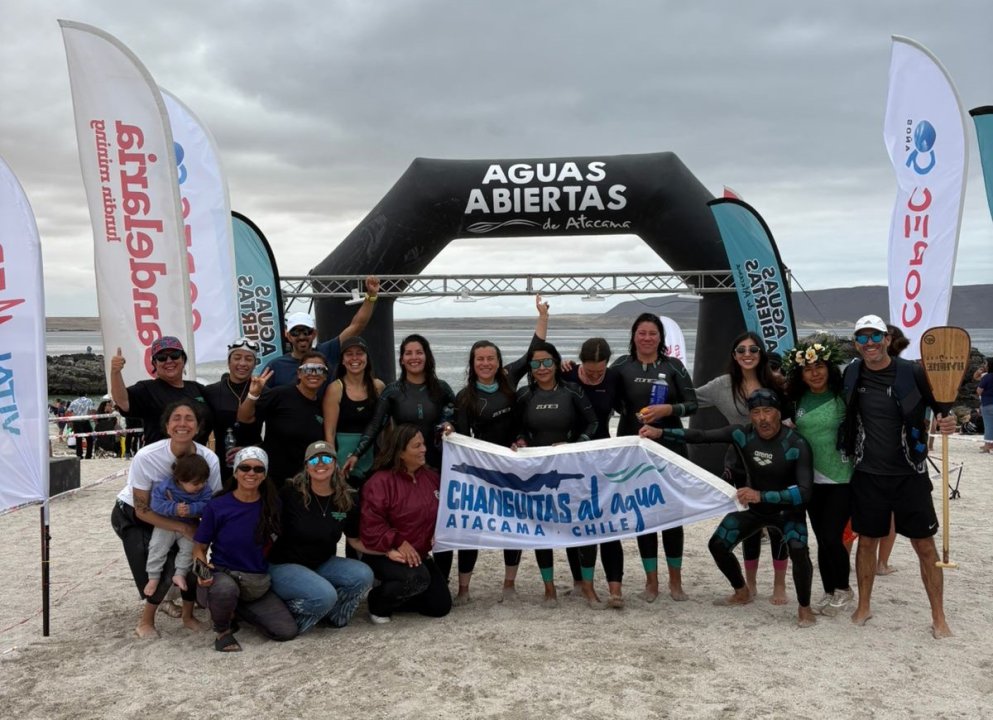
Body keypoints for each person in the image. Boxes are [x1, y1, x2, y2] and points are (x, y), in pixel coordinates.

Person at [642, 388, 816, 628]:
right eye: (756, 412)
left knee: (798, 549)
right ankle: (742, 591)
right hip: (753, 509)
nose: (762, 418)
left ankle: (805, 608)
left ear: (778, 413)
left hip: (786, 511)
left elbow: (805, 493)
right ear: (750, 415)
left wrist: (761, 495)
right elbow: (700, 435)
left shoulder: (797, 443)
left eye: (768, 411)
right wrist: (660, 432)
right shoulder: (742, 434)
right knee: (717, 545)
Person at [840, 314, 956, 638]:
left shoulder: (912, 372)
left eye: (875, 336)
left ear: (888, 339)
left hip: (910, 474)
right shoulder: (852, 373)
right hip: (867, 473)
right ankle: (864, 606)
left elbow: (942, 406)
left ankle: (939, 617)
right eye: (862, 338)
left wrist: (948, 421)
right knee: (867, 543)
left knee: (925, 546)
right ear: (856, 344)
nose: (870, 343)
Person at [444, 295, 550, 604]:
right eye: (480, 359)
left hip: (512, 463)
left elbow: (533, 351)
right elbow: (461, 437)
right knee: (471, 528)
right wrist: (448, 430)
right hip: (480, 469)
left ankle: (509, 584)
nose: (486, 363)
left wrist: (542, 317)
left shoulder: (509, 378)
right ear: (473, 363)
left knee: (512, 525)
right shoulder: (465, 397)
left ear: (498, 361)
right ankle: (464, 589)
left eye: (490, 358)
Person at [110, 400, 222, 638]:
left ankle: (188, 616)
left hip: (184, 514)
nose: (183, 424)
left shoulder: (209, 458)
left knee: (191, 560)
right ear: (167, 426)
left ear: (198, 427)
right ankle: (145, 621)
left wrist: (196, 529)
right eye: (176, 418)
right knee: (162, 566)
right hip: (134, 515)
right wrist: (182, 526)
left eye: (189, 418)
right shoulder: (147, 456)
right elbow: (142, 509)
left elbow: (212, 504)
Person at [695, 331, 789, 604]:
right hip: (740, 464)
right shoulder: (723, 385)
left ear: (761, 353)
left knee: (778, 524)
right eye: (741, 350)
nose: (747, 354)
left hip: (777, 463)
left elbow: (794, 415)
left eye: (753, 350)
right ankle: (750, 582)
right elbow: (690, 398)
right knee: (750, 522)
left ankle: (780, 584)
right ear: (734, 355)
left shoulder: (777, 383)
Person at [611, 312, 697, 602]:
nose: (647, 338)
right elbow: (600, 392)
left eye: (653, 333)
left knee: (671, 515)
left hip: (670, 445)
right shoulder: (620, 366)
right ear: (633, 336)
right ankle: (651, 582)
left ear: (661, 337)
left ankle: (676, 581)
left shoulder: (674, 367)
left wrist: (668, 410)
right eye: (642, 333)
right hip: (634, 448)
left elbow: (692, 404)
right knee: (644, 514)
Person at [514, 340, 598, 607]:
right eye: (536, 363)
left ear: (556, 363)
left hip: (571, 467)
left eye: (547, 362)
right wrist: (521, 441)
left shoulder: (572, 391)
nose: (542, 368)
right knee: (543, 529)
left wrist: (576, 444)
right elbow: (517, 429)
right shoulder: (524, 395)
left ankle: (585, 586)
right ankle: (549, 589)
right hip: (538, 470)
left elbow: (593, 422)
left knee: (580, 525)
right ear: (530, 367)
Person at [193, 447, 298, 651]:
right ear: (235, 472)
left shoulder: (273, 505)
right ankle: (223, 631)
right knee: (225, 589)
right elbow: (199, 547)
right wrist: (202, 572)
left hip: (255, 582)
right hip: (222, 575)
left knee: (286, 631)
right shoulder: (217, 505)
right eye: (245, 467)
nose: (251, 473)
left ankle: (236, 609)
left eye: (258, 469)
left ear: (264, 474)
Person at [268, 441, 375, 633]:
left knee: (363, 575)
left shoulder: (347, 498)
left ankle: (334, 615)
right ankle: (283, 614)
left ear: (335, 463)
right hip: (285, 564)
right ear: (306, 466)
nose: (320, 463)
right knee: (325, 596)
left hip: (321, 563)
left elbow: (354, 540)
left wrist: (390, 551)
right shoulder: (290, 493)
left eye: (326, 458)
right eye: (313, 460)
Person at [784, 338, 854, 617]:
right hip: (809, 478)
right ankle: (829, 590)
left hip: (841, 476)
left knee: (832, 536)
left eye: (820, 367)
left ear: (829, 368)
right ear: (800, 374)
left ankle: (844, 588)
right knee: (821, 539)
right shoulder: (796, 400)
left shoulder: (843, 396)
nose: (815, 373)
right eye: (808, 369)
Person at [360, 424, 453, 622]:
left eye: (424, 444)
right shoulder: (380, 482)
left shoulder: (431, 477)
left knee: (440, 606)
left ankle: (400, 595)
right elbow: (371, 524)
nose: (424, 449)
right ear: (400, 452)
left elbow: (446, 509)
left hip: (419, 554)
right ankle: (377, 602)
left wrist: (441, 529)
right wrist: (398, 542)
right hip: (386, 553)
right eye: (417, 446)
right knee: (417, 578)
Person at [561, 337, 625, 608]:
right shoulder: (566, 374)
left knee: (607, 522)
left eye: (600, 371)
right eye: (590, 371)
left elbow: (629, 409)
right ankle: (579, 582)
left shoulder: (614, 378)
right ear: (580, 363)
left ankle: (615, 589)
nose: (596, 376)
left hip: (602, 455)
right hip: (570, 457)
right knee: (575, 520)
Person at [343, 334, 455, 475]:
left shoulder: (442, 389)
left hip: (438, 463)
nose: (414, 357)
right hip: (405, 464)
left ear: (427, 357)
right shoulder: (392, 391)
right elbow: (375, 425)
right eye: (408, 353)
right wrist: (356, 454)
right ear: (402, 360)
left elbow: (456, 420)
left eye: (419, 352)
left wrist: (450, 426)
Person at [263, 276, 380, 388]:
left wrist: (371, 296)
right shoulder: (276, 366)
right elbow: (259, 394)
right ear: (288, 336)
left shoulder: (326, 352)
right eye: (295, 332)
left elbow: (357, 326)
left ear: (314, 334)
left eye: (306, 332)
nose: (302, 337)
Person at [238, 350, 328, 488]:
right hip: (274, 480)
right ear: (299, 373)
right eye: (308, 369)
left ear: (325, 376)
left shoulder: (323, 405)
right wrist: (252, 395)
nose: (314, 373)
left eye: (320, 369)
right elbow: (244, 418)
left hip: (306, 481)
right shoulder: (279, 394)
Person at [110, 336, 213, 445]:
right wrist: (115, 372)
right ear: (155, 363)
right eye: (162, 357)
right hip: (160, 455)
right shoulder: (147, 389)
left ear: (183, 359)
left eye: (174, 355)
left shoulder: (198, 388)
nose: (169, 361)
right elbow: (122, 401)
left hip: (197, 454)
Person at [143, 454, 214, 597]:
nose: (200, 486)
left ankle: (180, 574)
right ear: (181, 480)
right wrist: (173, 508)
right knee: (157, 547)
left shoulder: (205, 489)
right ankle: (153, 577)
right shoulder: (166, 486)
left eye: (203, 482)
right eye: (196, 484)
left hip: (190, 525)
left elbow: (208, 505)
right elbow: (155, 504)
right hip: (167, 524)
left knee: (189, 549)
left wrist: (192, 509)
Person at [322, 336, 386, 488]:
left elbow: (384, 427)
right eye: (349, 354)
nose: (355, 358)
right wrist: (333, 463)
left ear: (367, 358)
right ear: (343, 361)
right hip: (343, 458)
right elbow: (330, 432)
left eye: (359, 353)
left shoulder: (378, 387)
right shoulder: (335, 389)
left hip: (372, 457)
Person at [203, 338, 264, 482]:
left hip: (254, 463)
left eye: (248, 359)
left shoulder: (265, 392)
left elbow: (275, 435)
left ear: (255, 363)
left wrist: (250, 449)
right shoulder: (211, 391)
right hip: (222, 462)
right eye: (237, 358)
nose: (242, 363)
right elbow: (202, 431)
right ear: (228, 362)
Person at [977, 357, 993, 453]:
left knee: (988, 426)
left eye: (986, 364)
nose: (985, 365)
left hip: (988, 404)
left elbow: (979, 391)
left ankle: (987, 446)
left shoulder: (987, 377)